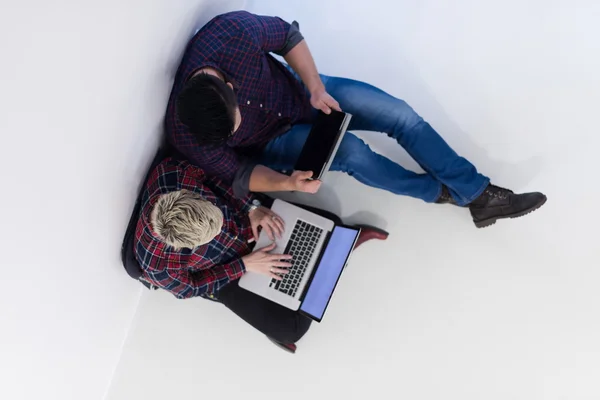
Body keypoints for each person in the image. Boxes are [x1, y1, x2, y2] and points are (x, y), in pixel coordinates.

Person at [166, 11, 547, 228]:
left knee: (399, 115)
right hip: (274, 140)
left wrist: (315, 86)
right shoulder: (189, 134)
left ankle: (478, 194)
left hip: (304, 91)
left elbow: (286, 37)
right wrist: (285, 181)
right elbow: (240, 173)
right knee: (352, 153)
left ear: (228, 84)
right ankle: (442, 193)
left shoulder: (228, 34)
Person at [134, 157, 386, 353]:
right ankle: (335, 254)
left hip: (243, 220)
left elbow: (217, 177)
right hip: (227, 268)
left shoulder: (174, 172)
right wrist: (243, 265)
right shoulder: (157, 265)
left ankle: (336, 249)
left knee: (329, 223)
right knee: (292, 329)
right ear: (180, 246)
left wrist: (251, 207)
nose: (221, 230)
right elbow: (187, 288)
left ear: (189, 196)